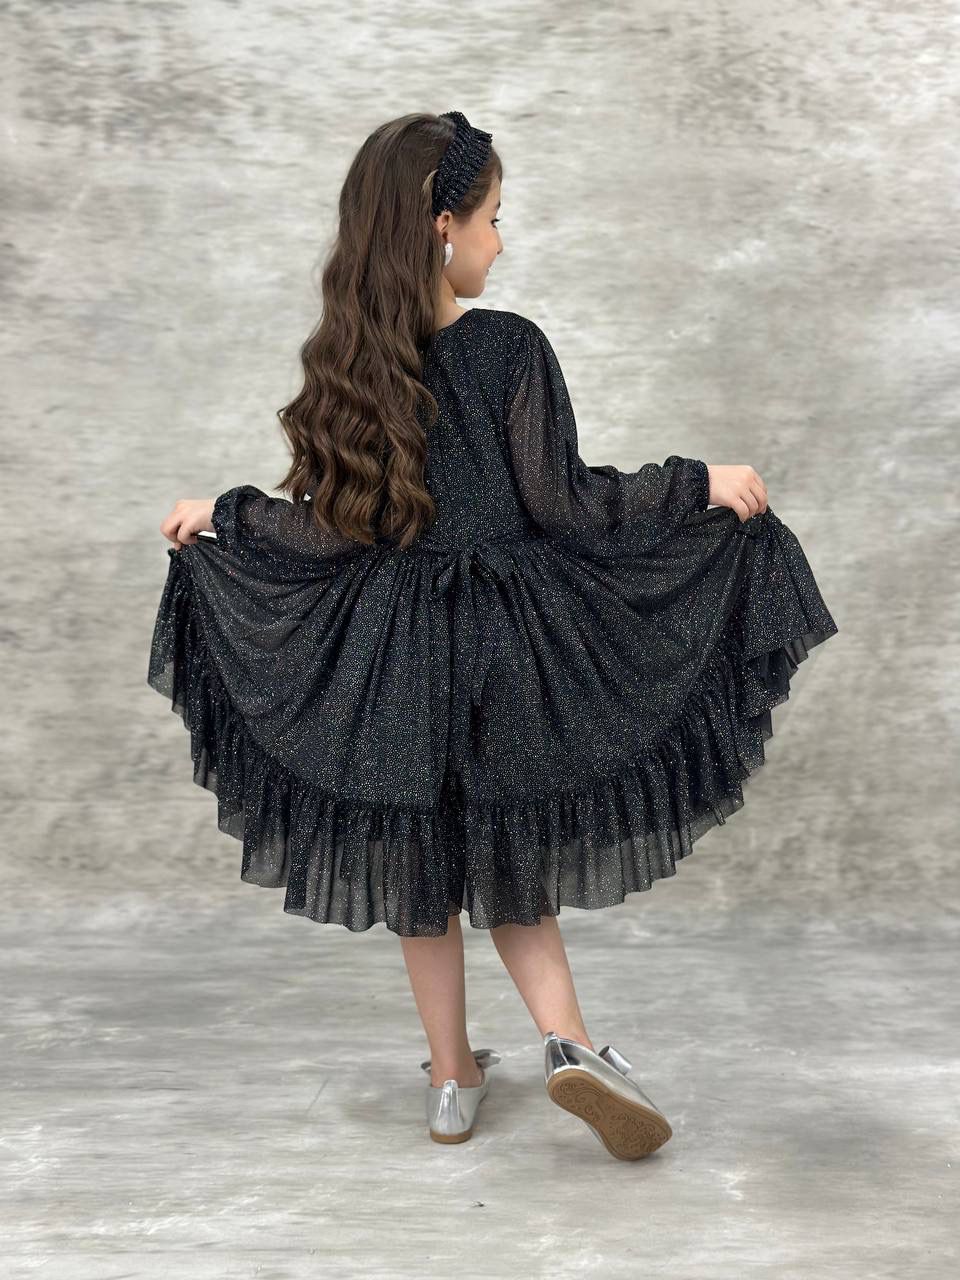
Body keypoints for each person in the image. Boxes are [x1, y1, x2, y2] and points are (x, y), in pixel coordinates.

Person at [148, 110, 839, 1157]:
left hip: (390, 655)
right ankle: (573, 1045)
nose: (500, 243)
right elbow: (567, 504)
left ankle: (451, 1079)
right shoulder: (509, 346)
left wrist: (225, 517)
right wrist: (700, 483)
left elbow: (330, 530)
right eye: (494, 218)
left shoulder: (353, 364)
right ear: (444, 225)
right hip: (510, 646)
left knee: (418, 864)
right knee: (509, 855)